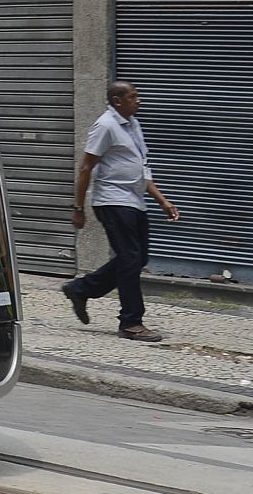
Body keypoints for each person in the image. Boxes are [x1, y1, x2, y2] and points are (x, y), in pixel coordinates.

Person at [63, 80, 179, 342]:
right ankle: (131, 322)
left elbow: (140, 169)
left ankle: (80, 289)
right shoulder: (105, 126)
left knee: (138, 258)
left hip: (134, 200)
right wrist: (78, 208)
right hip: (112, 201)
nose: (139, 101)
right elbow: (85, 168)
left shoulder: (133, 125)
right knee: (129, 258)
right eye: (133, 97)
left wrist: (163, 201)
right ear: (118, 101)